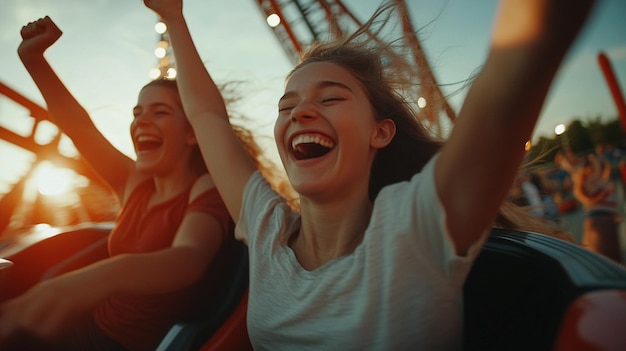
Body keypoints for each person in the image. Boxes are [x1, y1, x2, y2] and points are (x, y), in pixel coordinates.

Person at [146, 0, 595, 349]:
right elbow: (206, 116)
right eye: (287, 106)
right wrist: (174, 16)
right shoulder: (266, 232)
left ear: (379, 132)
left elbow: (514, 75)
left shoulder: (415, 229)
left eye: (330, 99)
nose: (300, 111)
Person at [0, 16, 260, 351]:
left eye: (160, 112)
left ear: (193, 132)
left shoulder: (205, 189)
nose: (141, 122)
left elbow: (189, 258)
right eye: (137, 112)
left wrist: (99, 278)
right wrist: (34, 60)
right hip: (85, 323)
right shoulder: (135, 182)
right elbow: (79, 127)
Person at [556, 151, 623, 263]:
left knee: (609, 258)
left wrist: (605, 165)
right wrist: (564, 161)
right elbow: (574, 171)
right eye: (591, 165)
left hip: (604, 220)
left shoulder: (596, 179)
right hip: (600, 221)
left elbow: (605, 175)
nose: (595, 166)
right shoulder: (588, 182)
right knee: (607, 261)